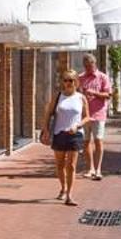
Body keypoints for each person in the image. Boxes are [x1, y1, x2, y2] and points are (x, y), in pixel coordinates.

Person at [41, 71, 87, 205]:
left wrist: (78, 126)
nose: (68, 83)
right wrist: (45, 129)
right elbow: (48, 113)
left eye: (71, 80)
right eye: (66, 80)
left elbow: (87, 117)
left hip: (75, 135)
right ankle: (63, 188)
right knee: (60, 164)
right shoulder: (58, 96)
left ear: (76, 82)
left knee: (71, 166)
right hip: (59, 133)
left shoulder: (81, 98)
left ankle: (69, 195)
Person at [77, 55, 113, 180]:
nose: (88, 68)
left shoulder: (103, 77)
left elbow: (108, 95)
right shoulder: (80, 78)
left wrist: (94, 93)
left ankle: (98, 169)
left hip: (98, 114)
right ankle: (90, 168)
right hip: (84, 114)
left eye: (90, 65)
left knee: (98, 140)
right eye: (86, 66)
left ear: (95, 63)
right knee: (86, 142)